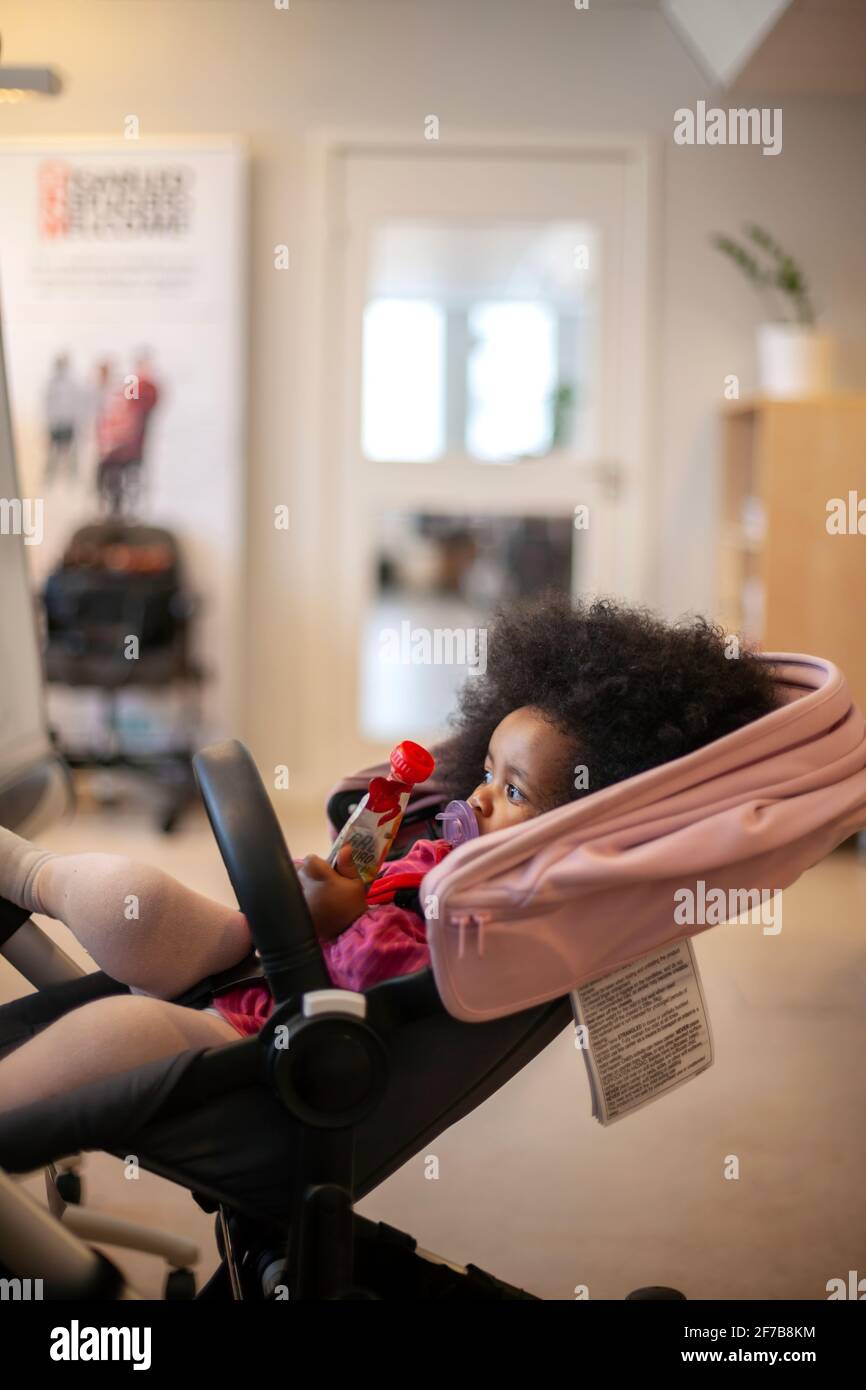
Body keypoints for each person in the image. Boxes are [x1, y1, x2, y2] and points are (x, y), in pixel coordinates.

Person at [0, 592, 779, 1115]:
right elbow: (388, 863)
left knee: (137, 1035)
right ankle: (27, 871)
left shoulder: (512, 912)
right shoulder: (455, 840)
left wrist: (340, 913)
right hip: (247, 952)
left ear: (586, 826)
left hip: (273, 1036)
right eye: (484, 772)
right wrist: (352, 870)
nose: (474, 798)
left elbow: (398, 977)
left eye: (513, 793)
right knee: (148, 904)